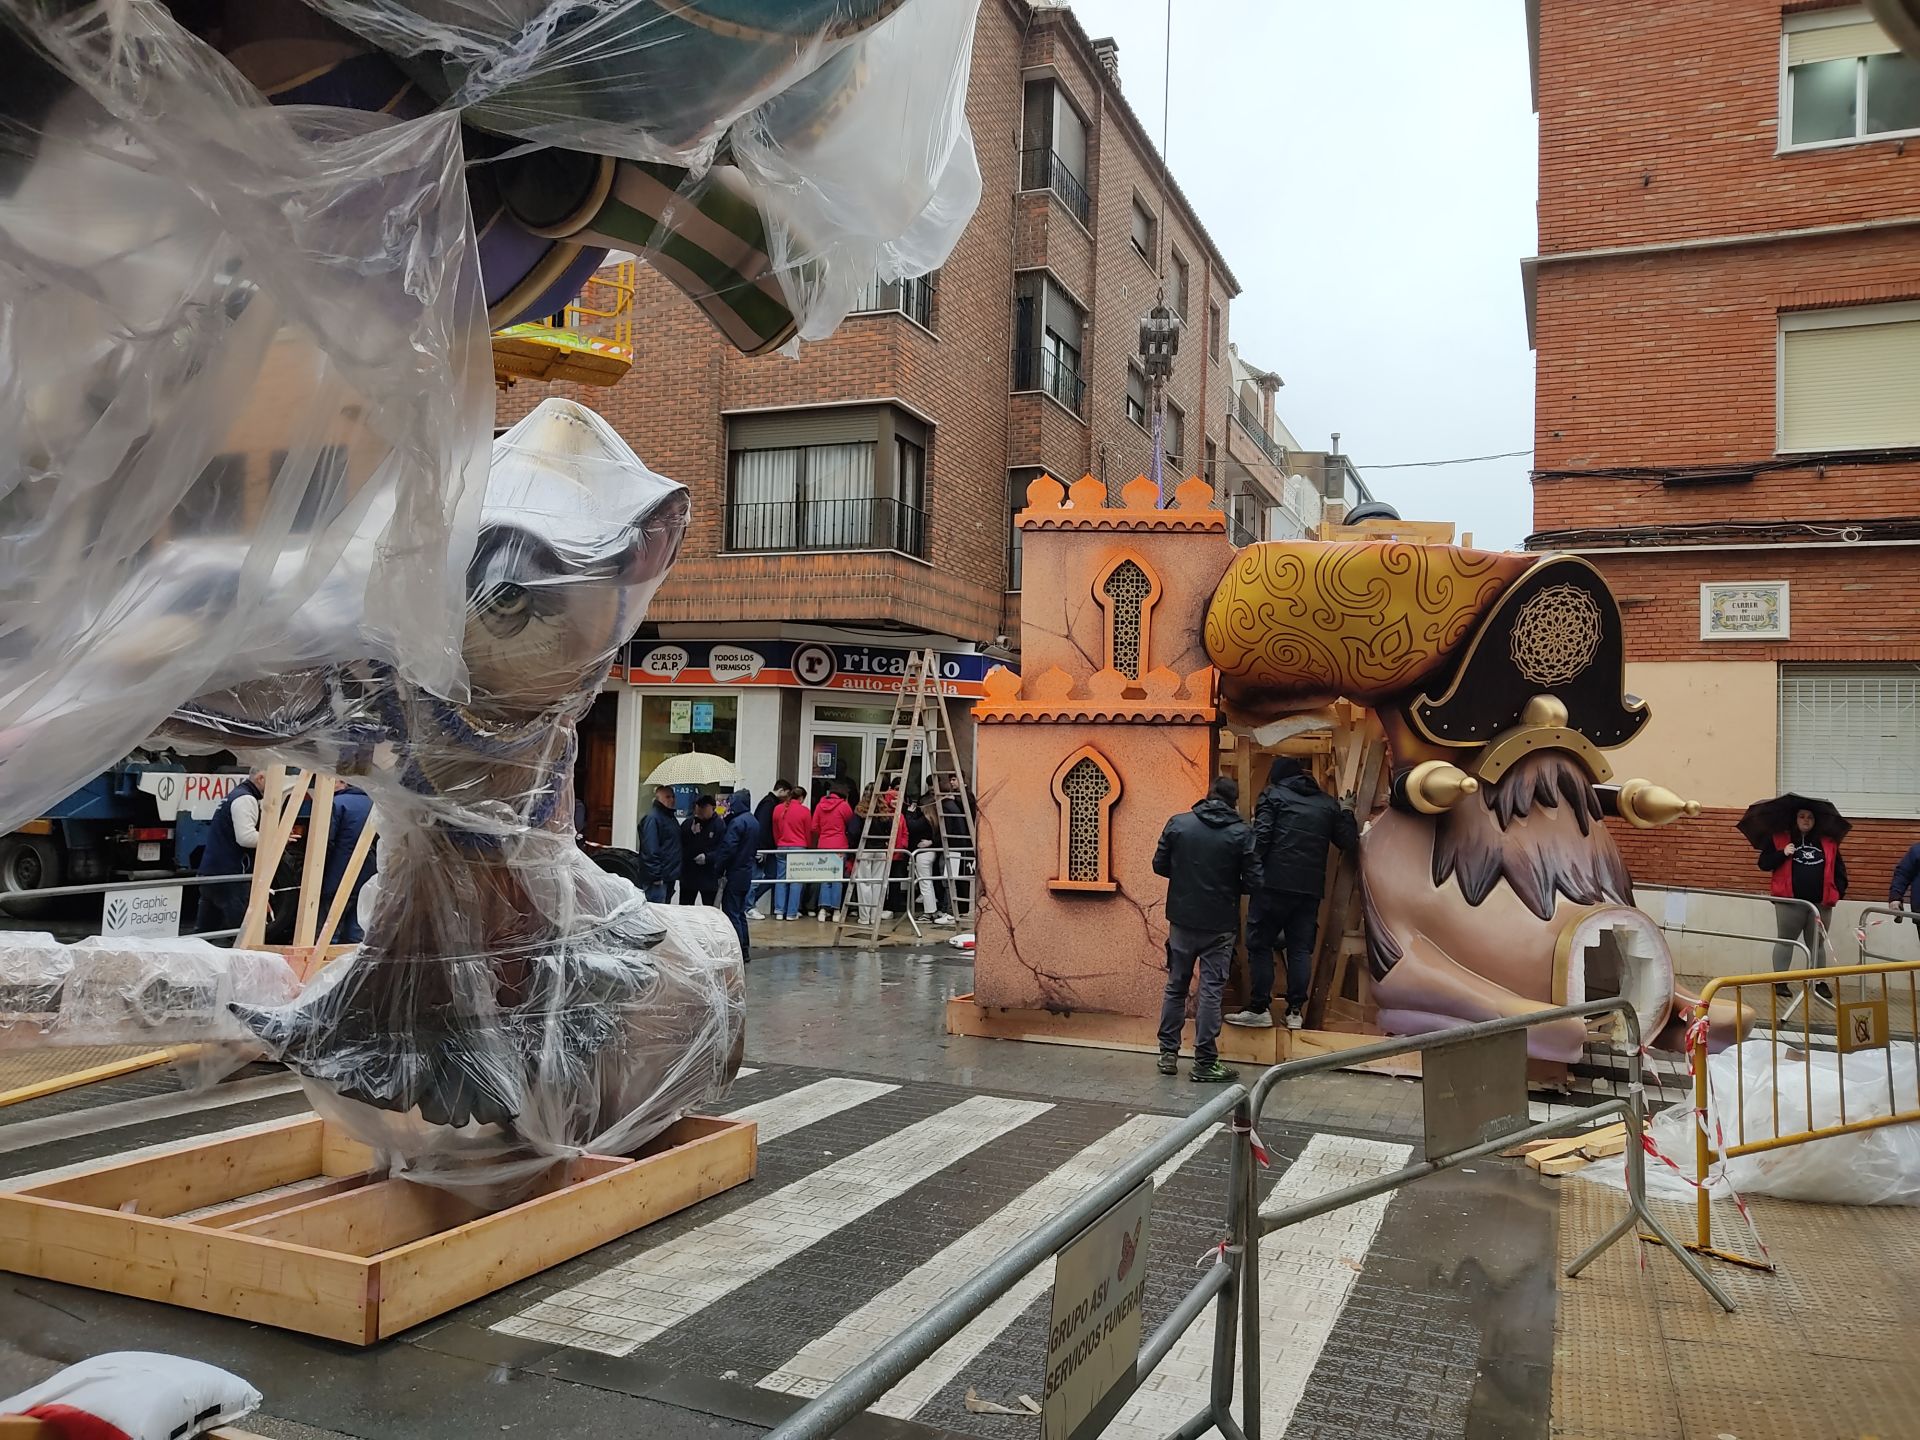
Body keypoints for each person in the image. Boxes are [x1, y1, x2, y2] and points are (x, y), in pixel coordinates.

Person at [1228, 757, 1357, 1032]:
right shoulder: (1327, 804)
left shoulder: (1273, 796)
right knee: (1300, 949)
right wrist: (1346, 812)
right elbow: (1347, 841)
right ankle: (1295, 1011)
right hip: (1308, 891)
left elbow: (1261, 839)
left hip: (1272, 886)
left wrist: (1249, 874)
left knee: (1260, 944)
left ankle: (1260, 1008)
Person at [1153, 776, 1260, 1083]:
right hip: (1219, 925)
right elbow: (1254, 881)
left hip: (1182, 920)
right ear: (1234, 801)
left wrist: (1186, 876)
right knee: (1211, 992)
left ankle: (1168, 1054)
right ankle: (1205, 1061)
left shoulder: (1179, 824)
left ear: (1208, 795)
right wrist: (1228, 885)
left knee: (1176, 985)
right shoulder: (1242, 833)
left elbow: (1159, 865)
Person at [1761, 805, 1847, 1002]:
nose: (1806, 820)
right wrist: (1782, 852)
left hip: (1820, 903)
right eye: (1802, 816)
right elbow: (1764, 864)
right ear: (1795, 819)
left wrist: (1837, 893)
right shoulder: (1780, 839)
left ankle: (1818, 982)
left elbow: (1840, 871)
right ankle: (1780, 981)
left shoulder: (1828, 843)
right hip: (1790, 902)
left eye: (1810, 817)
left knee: (1817, 944)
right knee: (1786, 941)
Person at [197, 770, 266, 939]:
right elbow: (246, 838)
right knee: (243, 934)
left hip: (211, 871)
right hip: (230, 874)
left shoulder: (234, 796)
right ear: (260, 777)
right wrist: (278, 837)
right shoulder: (245, 799)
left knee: (205, 933)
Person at [319, 783, 375, 943]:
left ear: (343, 782)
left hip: (337, 876)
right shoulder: (376, 805)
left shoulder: (337, 803)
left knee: (328, 933)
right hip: (367, 876)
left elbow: (325, 842)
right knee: (356, 934)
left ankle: (325, 966)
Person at [712, 788, 759, 958]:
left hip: (734, 872)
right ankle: (744, 948)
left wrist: (718, 867)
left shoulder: (737, 823)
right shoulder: (752, 821)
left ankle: (737, 951)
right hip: (746, 872)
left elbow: (728, 849)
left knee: (732, 913)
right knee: (740, 913)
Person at [904, 791, 955, 926]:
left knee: (924, 883)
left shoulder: (925, 820)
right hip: (931, 852)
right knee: (928, 882)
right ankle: (932, 910)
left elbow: (912, 826)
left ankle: (929, 911)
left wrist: (909, 813)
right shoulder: (935, 819)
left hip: (923, 854)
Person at [809, 780, 855, 921]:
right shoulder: (844, 806)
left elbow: (814, 827)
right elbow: (851, 824)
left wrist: (824, 833)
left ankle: (822, 910)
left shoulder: (819, 806)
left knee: (825, 878)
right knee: (837, 879)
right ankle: (836, 910)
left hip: (823, 845)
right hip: (839, 845)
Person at [770, 783, 813, 920]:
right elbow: (807, 832)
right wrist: (808, 846)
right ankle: (791, 913)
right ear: (801, 798)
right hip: (798, 847)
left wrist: (779, 843)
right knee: (796, 880)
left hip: (781, 846)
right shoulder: (804, 811)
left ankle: (779, 911)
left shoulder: (777, 809)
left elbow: (775, 830)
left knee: (780, 879)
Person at [748, 781, 789, 919]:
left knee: (771, 877)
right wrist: (761, 849)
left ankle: (749, 903)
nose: (787, 797)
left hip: (767, 847)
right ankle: (748, 906)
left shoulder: (769, 802)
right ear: (782, 790)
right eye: (787, 793)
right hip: (764, 848)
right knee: (757, 878)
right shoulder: (769, 804)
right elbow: (763, 827)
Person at [937, 772, 975, 920]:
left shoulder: (965, 795)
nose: (952, 782)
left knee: (957, 876)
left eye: (954, 779)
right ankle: (958, 909)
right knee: (957, 876)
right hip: (962, 841)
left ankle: (955, 910)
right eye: (951, 780)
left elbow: (969, 806)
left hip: (961, 842)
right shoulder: (956, 798)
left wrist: (955, 798)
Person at [638, 784, 683, 903]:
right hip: (658, 879)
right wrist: (656, 876)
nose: (672, 800)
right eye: (668, 797)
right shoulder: (653, 818)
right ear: (658, 798)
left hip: (669, 876)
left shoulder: (670, 818)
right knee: (656, 914)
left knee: (664, 914)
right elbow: (650, 849)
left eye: (673, 796)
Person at [680, 793, 723, 906]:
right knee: (686, 908)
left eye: (704, 808)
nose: (701, 811)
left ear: (712, 808)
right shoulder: (688, 824)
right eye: (699, 807)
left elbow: (722, 850)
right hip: (689, 875)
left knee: (709, 909)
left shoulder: (719, 825)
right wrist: (692, 834)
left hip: (709, 875)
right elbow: (682, 847)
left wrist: (708, 858)